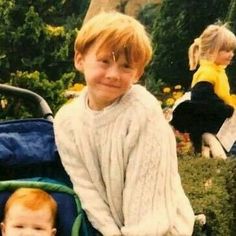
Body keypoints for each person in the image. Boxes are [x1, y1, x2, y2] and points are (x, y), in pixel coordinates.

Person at [54, 11, 194, 236]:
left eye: (126, 66)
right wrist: (110, 232)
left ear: (137, 73)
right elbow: (85, 187)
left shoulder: (142, 112)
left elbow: (148, 205)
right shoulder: (66, 121)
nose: (113, 74)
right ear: (80, 59)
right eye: (104, 61)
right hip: (113, 228)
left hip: (160, 228)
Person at [171, 22, 236, 158]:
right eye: (226, 50)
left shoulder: (217, 70)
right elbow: (203, 99)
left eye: (232, 51)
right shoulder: (206, 72)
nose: (231, 54)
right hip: (213, 124)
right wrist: (227, 109)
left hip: (220, 123)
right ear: (212, 51)